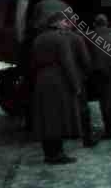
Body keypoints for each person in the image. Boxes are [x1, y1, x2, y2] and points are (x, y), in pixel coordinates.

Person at [30, 13, 82, 164]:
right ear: (57, 23)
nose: (67, 25)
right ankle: (57, 155)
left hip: (41, 79)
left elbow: (33, 63)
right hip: (57, 80)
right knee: (57, 118)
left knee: (46, 118)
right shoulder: (61, 38)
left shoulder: (38, 38)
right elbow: (68, 64)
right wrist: (76, 85)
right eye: (65, 22)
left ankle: (48, 153)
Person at [64, 14, 99, 148]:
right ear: (71, 23)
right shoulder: (77, 38)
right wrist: (88, 72)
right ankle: (87, 138)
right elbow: (85, 60)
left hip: (61, 77)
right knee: (82, 107)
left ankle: (69, 132)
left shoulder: (57, 36)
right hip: (78, 76)